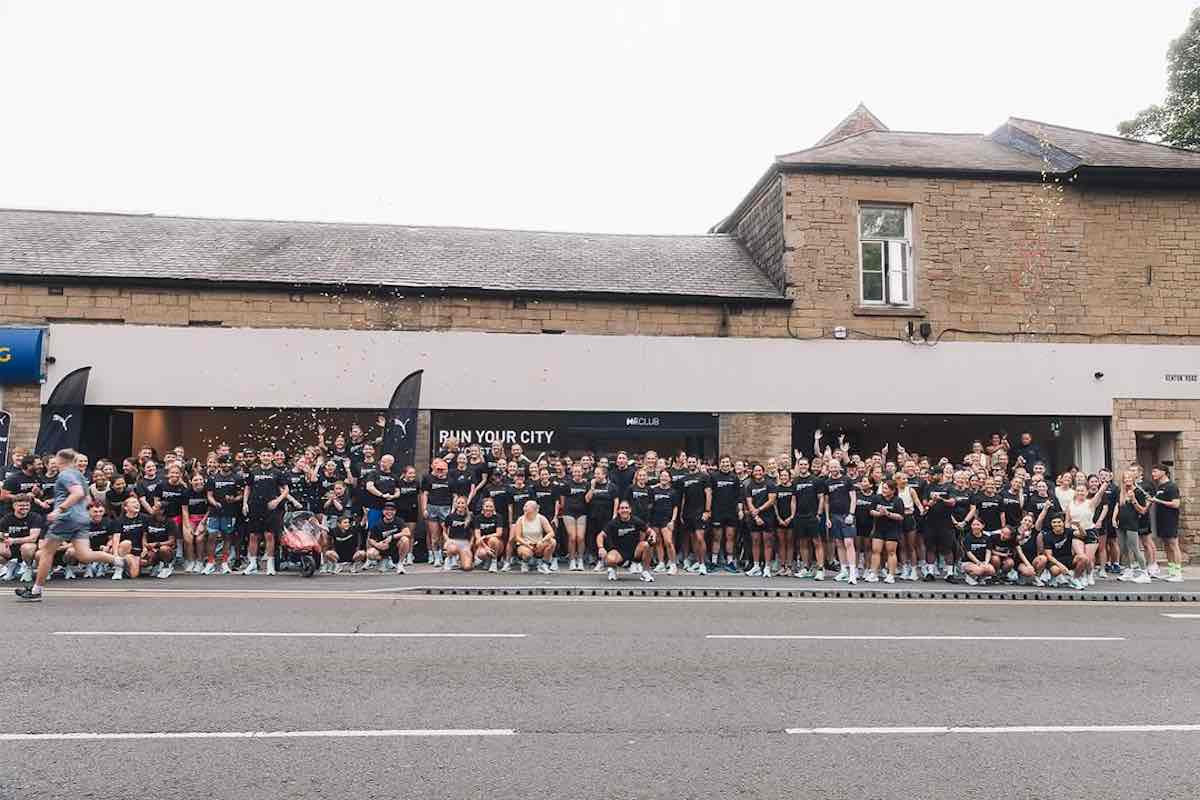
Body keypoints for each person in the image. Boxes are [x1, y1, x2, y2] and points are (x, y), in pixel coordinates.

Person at [15, 450, 127, 601]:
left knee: (46, 552)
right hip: (81, 518)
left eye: (55, 459)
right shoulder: (79, 476)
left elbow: (78, 493)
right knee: (84, 555)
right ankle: (119, 561)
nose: (54, 461)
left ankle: (36, 590)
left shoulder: (65, 474)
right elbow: (87, 499)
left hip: (66, 518)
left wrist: (60, 509)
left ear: (61, 460)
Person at [599, 500, 655, 582]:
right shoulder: (613, 523)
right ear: (618, 511)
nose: (624, 510)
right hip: (619, 553)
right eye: (622, 508)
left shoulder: (636, 520)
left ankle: (645, 572)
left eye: (626, 508)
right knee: (609, 559)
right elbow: (600, 535)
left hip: (635, 551)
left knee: (647, 545)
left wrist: (653, 537)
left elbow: (650, 531)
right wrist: (600, 547)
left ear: (630, 510)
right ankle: (612, 569)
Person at [1113, 471, 1152, 584]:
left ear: (1133, 478)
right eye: (1125, 478)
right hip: (1121, 523)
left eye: (1129, 477)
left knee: (1135, 549)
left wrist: (1134, 499)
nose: (1127, 479)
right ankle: (1129, 570)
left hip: (1132, 523)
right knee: (1123, 548)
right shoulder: (1121, 491)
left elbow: (1143, 510)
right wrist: (1113, 519)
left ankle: (1144, 573)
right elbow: (1117, 506)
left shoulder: (1138, 492)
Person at [824, 461, 858, 584]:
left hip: (846, 515)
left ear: (839, 467)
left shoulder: (847, 480)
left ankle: (852, 573)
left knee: (849, 542)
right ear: (829, 468)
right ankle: (843, 571)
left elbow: (853, 498)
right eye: (831, 467)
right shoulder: (827, 483)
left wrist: (851, 514)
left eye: (835, 466)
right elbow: (826, 502)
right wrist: (827, 518)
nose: (833, 469)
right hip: (834, 516)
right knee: (838, 543)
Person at [1148, 464, 1184, 582]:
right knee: (1166, 545)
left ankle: (1178, 573)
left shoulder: (1172, 486)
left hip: (1170, 519)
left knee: (1173, 544)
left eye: (1155, 471)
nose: (1153, 474)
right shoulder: (1160, 486)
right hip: (1161, 519)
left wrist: (1157, 500)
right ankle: (1172, 571)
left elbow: (1176, 504)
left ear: (1163, 472)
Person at [866, 480, 904, 583]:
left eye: (886, 488)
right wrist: (879, 514)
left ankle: (891, 575)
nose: (884, 490)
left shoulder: (898, 500)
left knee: (891, 552)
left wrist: (888, 514)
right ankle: (873, 573)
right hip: (879, 528)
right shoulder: (877, 498)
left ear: (892, 490)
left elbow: (900, 516)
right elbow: (871, 511)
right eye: (883, 488)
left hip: (892, 529)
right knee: (875, 550)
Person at [742, 463, 776, 577]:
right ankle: (756, 567)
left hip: (767, 516)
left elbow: (771, 500)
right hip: (754, 518)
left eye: (760, 471)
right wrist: (756, 516)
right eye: (756, 471)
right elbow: (749, 502)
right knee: (755, 542)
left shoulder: (770, 484)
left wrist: (759, 510)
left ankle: (767, 567)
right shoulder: (749, 486)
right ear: (752, 472)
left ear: (763, 471)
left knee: (767, 543)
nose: (758, 473)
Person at [1, 494, 44, 583]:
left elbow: (33, 538)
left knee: (26, 547)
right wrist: (4, 539)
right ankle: (9, 565)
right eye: (21, 505)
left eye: (27, 505)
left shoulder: (35, 517)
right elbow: (2, 534)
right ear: (14, 506)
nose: (24, 507)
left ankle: (28, 568)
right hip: (12, 547)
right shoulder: (7, 518)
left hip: (29, 548)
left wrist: (13, 540)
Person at [419, 459, 453, 567]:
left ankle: (447, 557)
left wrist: (453, 510)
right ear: (434, 468)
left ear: (447, 470)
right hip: (432, 507)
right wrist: (424, 508)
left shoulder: (451, 480)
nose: (440, 471)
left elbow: (455, 495)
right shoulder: (428, 478)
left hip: (446, 508)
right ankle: (436, 557)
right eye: (438, 469)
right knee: (434, 536)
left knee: (446, 534)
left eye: (442, 469)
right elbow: (425, 494)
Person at [511, 500, 557, 574]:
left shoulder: (541, 518)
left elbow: (551, 533)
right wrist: (526, 544)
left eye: (526, 506)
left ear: (533, 508)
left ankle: (544, 564)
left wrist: (542, 541)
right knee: (527, 554)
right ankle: (525, 563)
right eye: (524, 506)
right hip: (525, 545)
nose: (524, 508)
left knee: (552, 542)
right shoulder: (520, 519)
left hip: (538, 545)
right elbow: (517, 537)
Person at [648, 469, 679, 575]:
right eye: (662, 476)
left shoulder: (673, 492)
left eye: (666, 476)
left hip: (667, 520)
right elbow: (650, 504)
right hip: (655, 519)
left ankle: (673, 564)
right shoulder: (653, 490)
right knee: (658, 542)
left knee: (669, 542)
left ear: (670, 479)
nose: (664, 478)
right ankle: (661, 563)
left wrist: (673, 521)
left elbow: (675, 508)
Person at [560, 464, 590, 572]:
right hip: (569, 512)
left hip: (582, 512)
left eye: (579, 471)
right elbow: (562, 499)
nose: (577, 473)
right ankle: (572, 560)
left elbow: (587, 499)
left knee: (580, 537)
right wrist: (563, 511)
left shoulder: (586, 484)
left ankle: (580, 560)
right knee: (572, 537)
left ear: (582, 472)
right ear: (572, 472)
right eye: (575, 471)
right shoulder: (567, 484)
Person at [442, 495, 475, 571]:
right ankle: (450, 558)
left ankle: (460, 559)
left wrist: (470, 545)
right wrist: (448, 540)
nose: (460, 505)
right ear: (455, 504)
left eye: (463, 503)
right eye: (458, 503)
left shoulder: (470, 517)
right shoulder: (450, 517)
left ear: (466, 504)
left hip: (465, 543)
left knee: (467, 567)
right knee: (452, 548)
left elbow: (473, 534)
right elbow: (444, 531)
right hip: (453, 542)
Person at [961, 519, 995, 586]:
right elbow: (968, 553)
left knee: (991, 570)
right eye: (973, 525)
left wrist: (986, 562)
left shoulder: (987, 537)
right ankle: (969, 576)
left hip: (982, 561)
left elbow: (988, 551)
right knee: (979, 570)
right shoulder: (968, 537)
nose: (975, 527)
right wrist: (978, 562)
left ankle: (980, 578)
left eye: (978, 524)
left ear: (982, 526)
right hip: (968, 562)